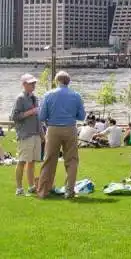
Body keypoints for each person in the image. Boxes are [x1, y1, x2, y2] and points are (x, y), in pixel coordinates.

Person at [37, 71, 86, 199]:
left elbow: (41, 116)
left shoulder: (48, 95)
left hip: (53, 128)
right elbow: (81, 116)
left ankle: (43, 191)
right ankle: (69, 191)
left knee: (49, 160)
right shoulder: (76, 95)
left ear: (56, 81)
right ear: (68, 81)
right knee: (72, 160)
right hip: (70, 128)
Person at [11, 74, 42, 196]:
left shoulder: (35, 98)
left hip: (35, 133)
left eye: (34, 83)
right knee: (22, 161)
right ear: (24, 84)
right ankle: (19, 188)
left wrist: (41, 133)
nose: (33, 85)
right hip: (25, 134)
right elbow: (14, 117)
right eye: (31, 83)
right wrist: (30, 112)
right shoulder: (20, 98)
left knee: (32, 161)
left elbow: (38, 117)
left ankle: (31, 186)